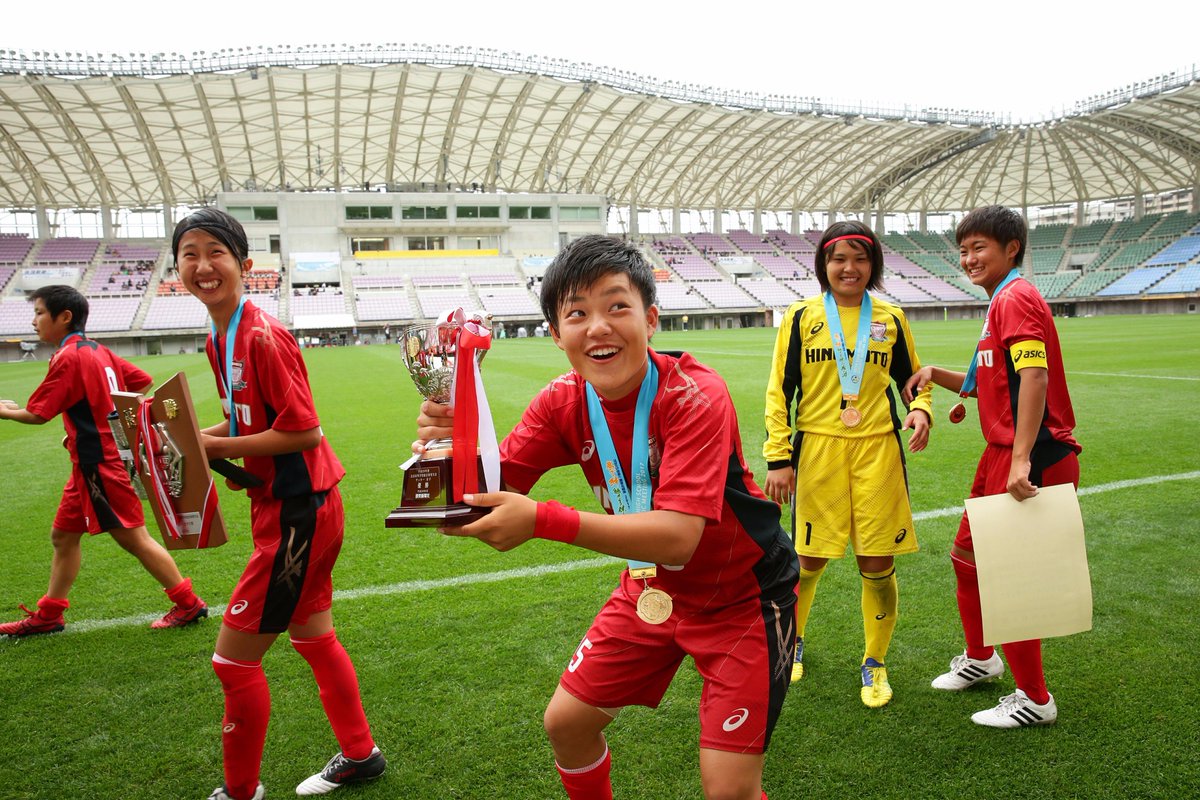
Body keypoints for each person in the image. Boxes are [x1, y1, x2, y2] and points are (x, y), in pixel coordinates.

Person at [416, 235, 798, 800]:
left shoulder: (696, 395)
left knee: (729, 791)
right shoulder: (561, 401)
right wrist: (449, 448)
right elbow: (492, 489)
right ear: (556, 334)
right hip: (649, 585)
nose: (597, 326)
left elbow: (677, 538)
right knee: (566, 724)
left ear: (652, 319)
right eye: (577, 313)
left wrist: (543, 520)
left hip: (744, 598)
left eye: (617, 306)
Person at [172, 208, 384, 800]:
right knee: (314, 637)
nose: (202, 265)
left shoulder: (262, 335)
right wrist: (201, 436)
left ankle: (240, 792)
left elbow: (303, 431)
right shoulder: (222, 334)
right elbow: (248, 421)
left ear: (244, 265)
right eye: (189, 254)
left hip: (300, 512)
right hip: (291, 507)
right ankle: (361, 754)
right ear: (177, 270)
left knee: (233, 663)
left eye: (215, 251)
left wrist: (206, 443)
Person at [902, 205, 1081, 728]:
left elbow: (1035, 377)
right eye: (963, 249)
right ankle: (982, 659)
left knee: (1014, 578)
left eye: (980, 247)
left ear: (1012, 249)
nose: (969, 258)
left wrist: (1022, 455)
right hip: (1001, 452)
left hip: (1033, 455)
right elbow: (987, 381)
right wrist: (935, 372)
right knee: (968, 561)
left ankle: (1035, 699)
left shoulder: (1017, 297)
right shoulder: (999, 302)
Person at [762, 221, 931, 708]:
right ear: (824, 264)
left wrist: (920, 409)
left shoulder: (892, 318)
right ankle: (793, 643)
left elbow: (915, 380)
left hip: (878, 449)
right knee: (808, 560)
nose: (849, 268)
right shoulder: (800, 317)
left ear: (872, 265)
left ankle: (875, 663)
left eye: (860, 259)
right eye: (839, 259)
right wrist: (779, 457)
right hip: (818, 450)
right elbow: (780, 391)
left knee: (876, 562)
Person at [0, 285, 207, 637]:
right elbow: (140, 381)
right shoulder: (98, 351)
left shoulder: (69, 357)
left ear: (64, 317)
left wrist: (6, 412)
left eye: (38, 313)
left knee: (133, 538)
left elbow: (37, 414)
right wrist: (107, 422)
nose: (34, 321)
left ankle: (188, 604)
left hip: (99, 464)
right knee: (63, 537)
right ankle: (50, 614)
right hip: (88, 462)